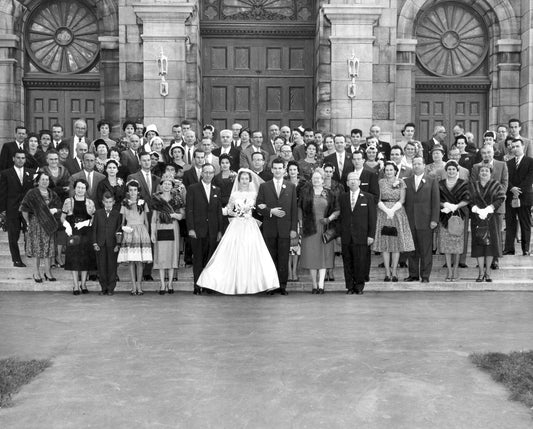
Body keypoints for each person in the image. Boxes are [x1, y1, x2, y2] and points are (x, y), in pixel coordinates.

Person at [197, 169, 279, 294]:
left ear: (250, 180)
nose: (244, 181)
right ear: (238, 180)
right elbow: (229, 210)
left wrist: (266, 209)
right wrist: (235, 212)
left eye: (246, 178)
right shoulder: (234, 194)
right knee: (232, 252)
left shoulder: (255, 194)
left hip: (250, 225)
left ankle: (260, 283)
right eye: (242, 179)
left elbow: (260, 208)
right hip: (236, 225)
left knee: (252, 252)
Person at [257, 158, 298, 295]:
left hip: (285, 229)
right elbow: (259, 206)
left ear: (284, 170)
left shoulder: (291, 186)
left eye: (280, 168)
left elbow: (293, 209)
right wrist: (270, 211)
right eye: (275, 168)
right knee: (271, 258)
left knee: (283, 258)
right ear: (272, 169)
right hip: (269, 229)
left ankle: (282, 285)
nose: (278, 170)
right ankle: (271, 285)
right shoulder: (264, 186)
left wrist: (293, 229)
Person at [298, 169, 339, 293]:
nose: (316, 180)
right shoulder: (305, 193)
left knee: (324, 256)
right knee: (312, 256)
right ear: (311, 180)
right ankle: (314, 285)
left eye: (319, 178)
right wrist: (300, 224)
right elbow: (299, 208)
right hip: (309, 228)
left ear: (322, 179)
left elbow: (337, 210)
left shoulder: (329, 193)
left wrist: (329, 219)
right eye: (314, 178)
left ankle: (321, 285)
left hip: (324, 228)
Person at [373, 162, 415, 282]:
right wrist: (386, 210)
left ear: (395, 171)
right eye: (387, 170)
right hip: (383, 213)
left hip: (397, 213)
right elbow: (378, 198)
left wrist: (393, 210)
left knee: (396, 245)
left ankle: (395, 271)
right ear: (384, 171)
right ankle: (387, 272)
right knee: (385, 244)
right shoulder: (380, 182)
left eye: (391, 170)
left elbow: (402, 199)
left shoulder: (401, 182)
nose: (389, 172)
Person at [186, 163, 223, 295]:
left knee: (210, 259)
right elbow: (189, 210)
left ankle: (208, 285)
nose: (208, 175)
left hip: (212, 231)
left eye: (211, 173)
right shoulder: (193, 188)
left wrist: (219, 231)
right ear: (201, 173)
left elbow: (219, 212)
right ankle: (197, 286)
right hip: (197, 230)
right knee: (198, 259)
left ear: (214, 174)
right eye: (206, 172)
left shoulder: (216, 190)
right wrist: (191, 228)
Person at [20, 171, 62, 282]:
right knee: (36, 250)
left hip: (50, 224)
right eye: (42, 179)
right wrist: (28, 222)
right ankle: (36, 273)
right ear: (38, 181)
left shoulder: (52, 194)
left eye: (47, 179)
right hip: (36, 224)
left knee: (49, 249)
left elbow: (60, 208)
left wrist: (55, 211)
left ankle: (48, 273)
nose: (45, 182)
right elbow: (24, 208)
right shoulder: (32, 193)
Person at [339, 172, 376, 294]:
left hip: (362, 236)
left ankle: (359, 286)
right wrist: (339, 235)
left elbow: (372, 218)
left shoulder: (368, 197)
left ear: (359, 182)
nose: (353, 181)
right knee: (348, 262)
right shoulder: (342, 197)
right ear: (347, 183)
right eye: (350, 180)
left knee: (360, 262)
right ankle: (349, 286)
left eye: (355, 179)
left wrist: (371, 235)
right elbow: (340, 218)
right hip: (346, 236)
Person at [404, 156, 440, 283]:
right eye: (414, 164)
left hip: (426, 221)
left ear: (424, 165)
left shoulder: (431, 180)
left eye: (419, 163)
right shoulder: (406, 181)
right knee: (412, 250)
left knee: (425, 250)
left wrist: (434, 219)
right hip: (410, 220)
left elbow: (436, 202)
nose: (416, 166)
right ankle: (413, 274)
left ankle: (425, 276)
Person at [470, 164, 506, 282]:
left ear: (490, 173)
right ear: (479, 173)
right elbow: (468, 199)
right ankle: (481, 272)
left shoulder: (496, 185)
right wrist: (475, 209)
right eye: (482, 171)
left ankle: (488, 272)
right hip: (477, 218)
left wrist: (490, 208)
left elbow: (501, 197)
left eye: (486, 171)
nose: (484, 172)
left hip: (491, 218)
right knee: (478, 245)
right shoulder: (473, 185)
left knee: (490, 246)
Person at [0, 149, 35, 267]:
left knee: (29, 231)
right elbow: (2, 192)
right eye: (18, 158)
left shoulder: (31, 172)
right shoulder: (6, 173)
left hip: (27, 209)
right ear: (13, 159)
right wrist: (3, 210)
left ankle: (29, 252)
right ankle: (16, 259)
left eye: (23, 158)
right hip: (12, 208)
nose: (21, 160)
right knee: (13, 235)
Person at [61, 179, 97, 295]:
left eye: (83, 188)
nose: (80, 190)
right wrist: (66, 225)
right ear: (74, 188)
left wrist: (86, 223)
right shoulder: (68, 201)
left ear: (86, 190)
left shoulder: (90, 203)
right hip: (73, 233)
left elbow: (94, 219)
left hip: (86, 233)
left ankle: (83, 284)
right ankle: (76, 285)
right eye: (78, 187)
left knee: (85, 258)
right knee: (74, 259)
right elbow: (62, 217)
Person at [151, 174, 185, 294]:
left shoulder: (176, 198)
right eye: (164, 183)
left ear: (172, 186)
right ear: (161, 185)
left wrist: (174, 215)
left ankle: (170, 284)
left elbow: (182, 215)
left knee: (171, 255)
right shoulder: (156, 199)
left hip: (173, 226)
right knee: (161, 255)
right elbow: (154, 217)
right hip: (160, 227)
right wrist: (152, 233)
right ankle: (162, 284)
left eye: (169, 183)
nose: (166, 186)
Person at [117, 180, 152, 295]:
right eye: (131, 190)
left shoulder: (143, 203)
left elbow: (146, 221)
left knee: (140, 262)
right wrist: (124, 229)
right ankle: (133, 286)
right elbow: (122, 222)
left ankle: (139, 286)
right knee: (131, 261)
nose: (133, 192)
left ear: (138, 191)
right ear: (128, 191)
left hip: (141, 231)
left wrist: (147, 234)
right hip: (130, 232)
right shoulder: (124, 204)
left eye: (135, 190)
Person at [437, 161, 470, 281]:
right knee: (446, 245)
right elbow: (437, 198)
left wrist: (456, 206)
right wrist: (444, 204)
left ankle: (455, 270)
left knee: (457, 245)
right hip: (444, 216)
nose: (451, 171)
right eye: (449, 169)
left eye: (453, 169)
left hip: (459, 216)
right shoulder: (440, 184)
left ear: (457, 171)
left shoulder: (463, 183)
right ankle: (449, 271)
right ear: (446, 171)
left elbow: (467, 199)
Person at [504, 138, 533, 255]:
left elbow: (530, 178)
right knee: (510, 223)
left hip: (525, 196)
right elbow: (506, 179)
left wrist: (518, 190)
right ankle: (509, 248)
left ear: (523, 147)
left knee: (525, 223)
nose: (515, 149)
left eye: (517, 146)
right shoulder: (508, 163)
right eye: (513, 147)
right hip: (511, 196)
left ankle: (526, 249)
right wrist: (512, 188)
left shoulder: (530, 161)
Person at [91, 192, 122, 295]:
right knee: (101, 267)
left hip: (112, 244)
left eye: (110, 202)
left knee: (112, 267)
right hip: (100, 244)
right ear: (103, 202)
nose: (108, 204)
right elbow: (94, 229)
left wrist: (118, 244)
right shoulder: (98, 213)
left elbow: (119, 230)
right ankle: (103, 287)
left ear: (113, 202)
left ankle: (111, 288)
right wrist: (95, 243)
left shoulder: (117, 214)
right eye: (106, 202)